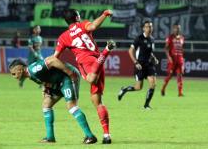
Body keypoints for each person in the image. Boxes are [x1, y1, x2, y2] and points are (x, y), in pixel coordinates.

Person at [53, 9, 115, 144]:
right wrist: (104, 14)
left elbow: (55, 58)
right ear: (77, 17)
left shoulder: (63, 37)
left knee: (90, 79)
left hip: (85, 61)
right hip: (98, 62)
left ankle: (106, 50)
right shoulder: (83, 25)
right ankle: (106, 135)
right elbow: (94, 26)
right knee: (97, 102)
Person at [9, 57, 97, 144]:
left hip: (67, 78)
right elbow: (47, 76)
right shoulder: (30, 74)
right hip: (58, 83)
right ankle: (50, 137)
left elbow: (52, 60)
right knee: (46, 104)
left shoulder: (34, 70)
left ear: (20, 69)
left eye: (13, 73)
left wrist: (70, 72)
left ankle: (90, 136)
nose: (13, 76)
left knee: (71, 106)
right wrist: (45, 88)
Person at [118, 21, 159, 109]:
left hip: (149, 65)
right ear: (143, 28)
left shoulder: (152, 39)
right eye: (147, 27)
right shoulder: (139, 38)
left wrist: (154, 58)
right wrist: (136, 62)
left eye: (151, 27)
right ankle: (124, 90)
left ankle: (146, 105)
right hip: (140, 65)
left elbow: (150, 52)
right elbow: (130, 50)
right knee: (138, 87)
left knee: (153, 84)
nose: (149, 29)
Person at [161, 23, 185, 96]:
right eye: (176, 28)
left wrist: (183, 61)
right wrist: (169, 57)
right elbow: (166, 48)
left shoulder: (182, 38)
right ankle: (163, 88)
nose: (177, 29)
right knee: (170, 75)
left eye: (179, 28)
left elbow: (182, 49)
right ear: (173, 29)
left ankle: (180, 92)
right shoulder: (170, 37)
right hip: (173, 60)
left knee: (180, 75)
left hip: (180, 59)